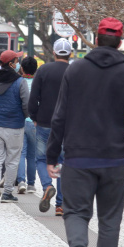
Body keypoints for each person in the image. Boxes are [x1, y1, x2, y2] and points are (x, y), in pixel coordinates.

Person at [47, 17, 124, 247]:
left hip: (78, 157)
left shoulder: (76, 69)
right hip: (114, 157)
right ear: (120, 42)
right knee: (110, 219)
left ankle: (79, 246)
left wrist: (52, 155)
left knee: (75, 212)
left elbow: (59, 116)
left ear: (95, 39)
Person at [28, 38, 72, 215]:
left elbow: (33, 97)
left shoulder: (43, 70)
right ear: (70, 54)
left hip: (45, 121)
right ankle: (60, 204)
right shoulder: (74, 71)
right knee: (62, 161)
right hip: (67, 123)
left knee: (41, 158)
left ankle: (47, 186)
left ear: (53, 53)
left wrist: (34, 116)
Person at [0, 50, 30, 204]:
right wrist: (23, 115)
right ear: (11, 63)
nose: (18, 63)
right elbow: (26, 104)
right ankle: (7, 192)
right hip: (15, 126)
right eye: (16, 60)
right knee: (12, 160)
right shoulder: (20, 82)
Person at [15, 56, 39, 194]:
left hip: (20, 121)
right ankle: (31, 184)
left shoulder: (18, 82)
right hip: (34, 122)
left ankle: (21, 181)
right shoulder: (38, 83)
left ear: (22, 68)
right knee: (32, 155)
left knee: (21, 153)